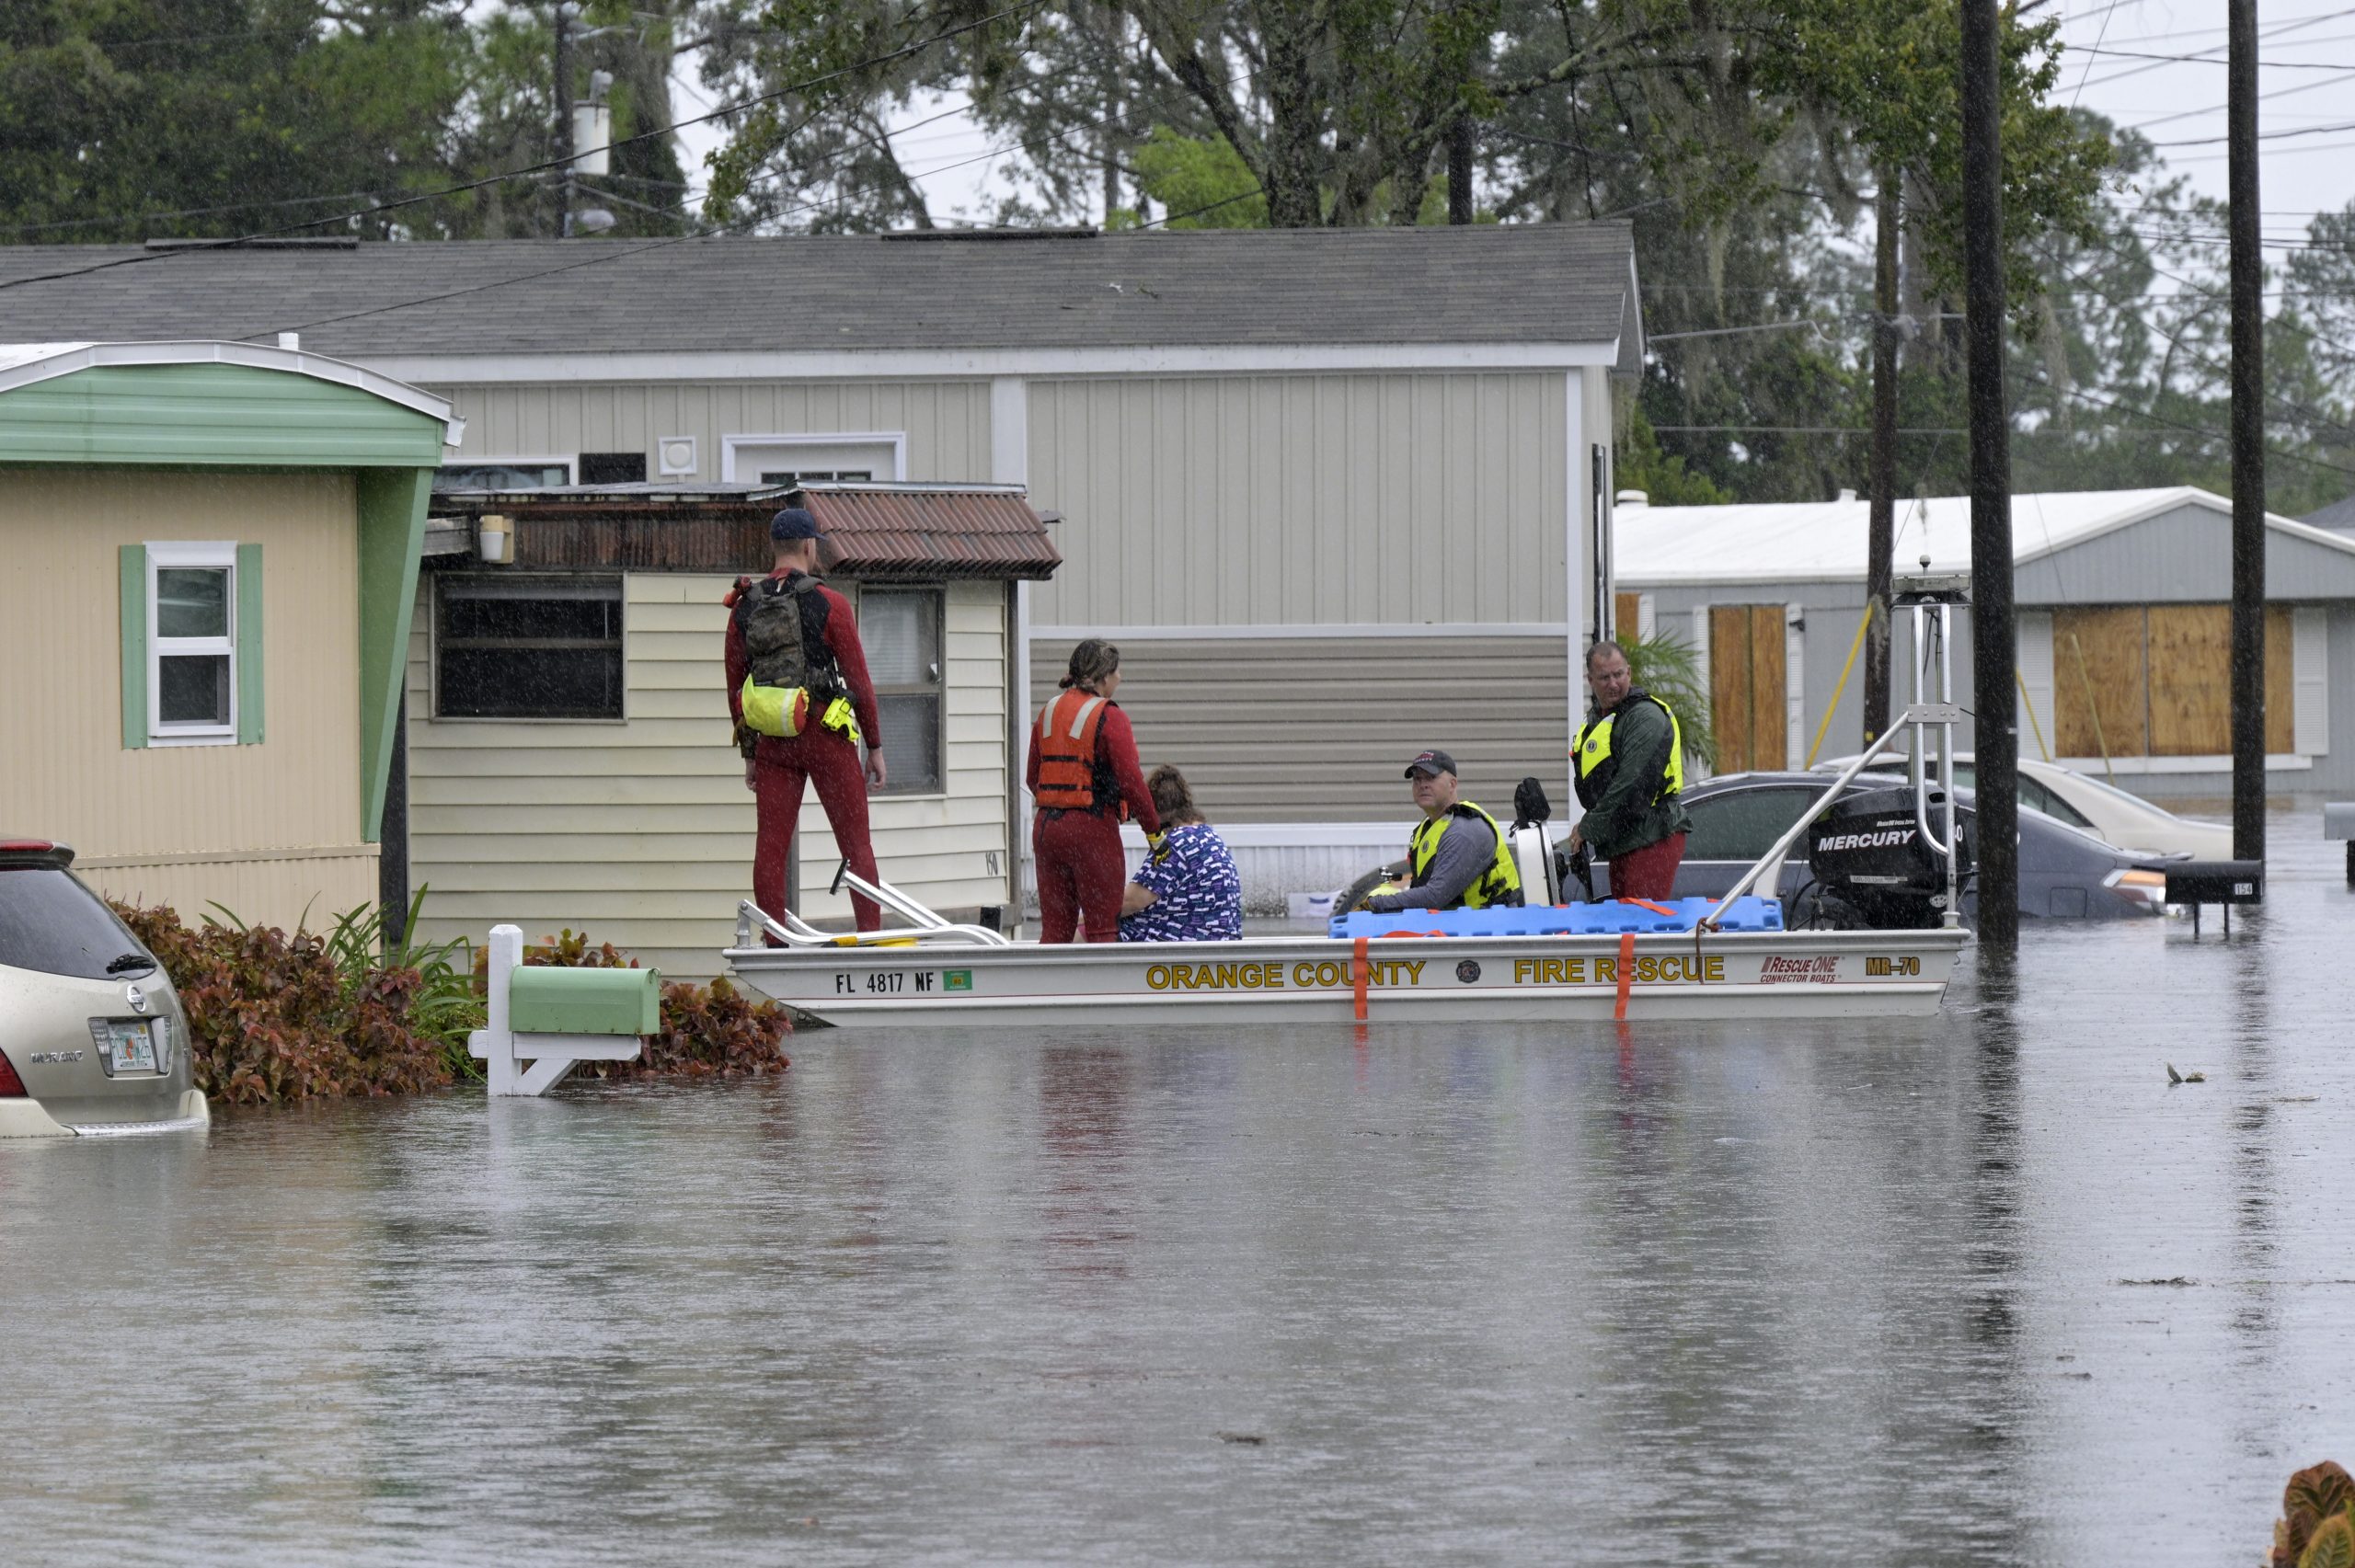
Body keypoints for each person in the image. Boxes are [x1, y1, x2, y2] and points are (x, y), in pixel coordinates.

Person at [725, 506, 887, 933]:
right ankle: (869, 938)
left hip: (773, 737)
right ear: (810, 546)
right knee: (856, 844)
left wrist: (751, 755)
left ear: (774, 548)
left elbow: (735, 689)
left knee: (771, 847)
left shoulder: (744, 607)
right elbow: (859, 681)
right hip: (824, 732)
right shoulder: (830, 603)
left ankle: (775, 943)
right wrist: (874, 745)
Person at [1028, 639, 1161, 943]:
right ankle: (1105, 991)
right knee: (1103, 929)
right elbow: (1131, 782)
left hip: (1046, 829)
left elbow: (1032, 778)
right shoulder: (1110, 716)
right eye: (1117, 672)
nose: (1120, 678)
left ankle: (1049, 989)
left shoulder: (1048, 711)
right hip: (1091, 830)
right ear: (1104, 677)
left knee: (1056, 931)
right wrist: (1155, 833)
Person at [1567, 639, 1692, 902]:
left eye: (1618, 674)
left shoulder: (1645, 717)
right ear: (1590, 680)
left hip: (1653, 835)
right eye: (1604, 677)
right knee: (1623, 922)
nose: (1613, 683)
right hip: (1626, 839)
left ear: (1629, 673)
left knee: (1641, 923)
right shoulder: (1601, 720)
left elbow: (1630, 784)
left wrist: (1590, 826)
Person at [1361, 750, 1521, 912]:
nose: (1422, 784)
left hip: (1489, 928)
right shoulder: (1430, 826)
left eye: (1431, 777)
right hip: (1456, 926)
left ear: (1452, 784)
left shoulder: (1464, 830)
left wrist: (1376, 904)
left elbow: (1434, 896)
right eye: (1417, 779)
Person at [1120, 765, 1243, 942]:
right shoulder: (1208, 835)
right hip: (1220, 938)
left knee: (1094, 930)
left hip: (1186, 940)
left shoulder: (1174, 845)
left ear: (1153, 811)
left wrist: (1079, 918)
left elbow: (1130, 902)